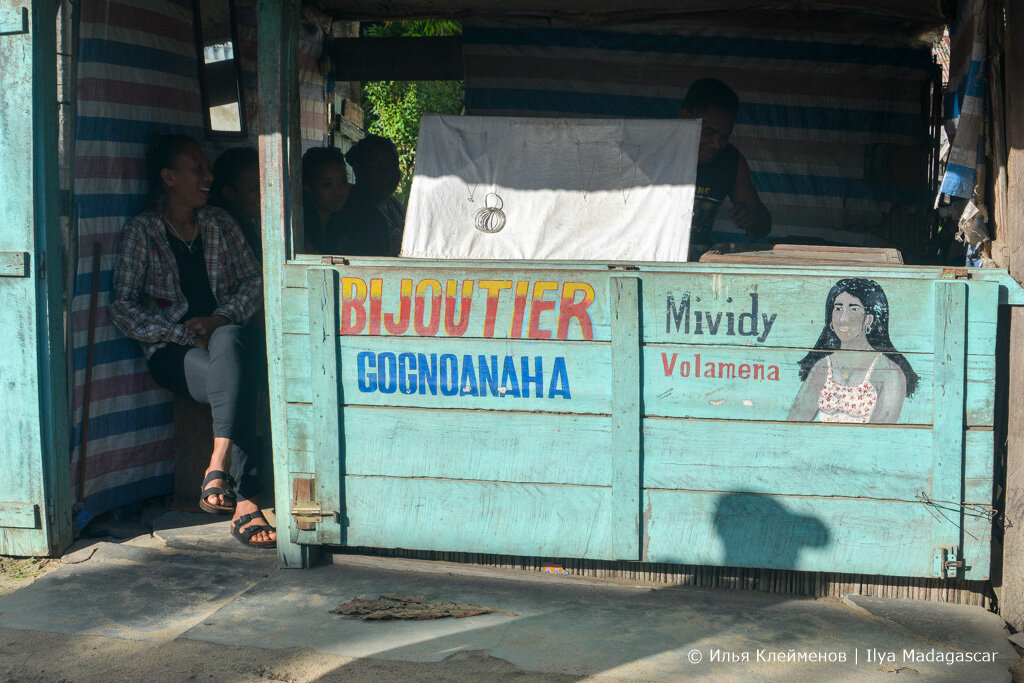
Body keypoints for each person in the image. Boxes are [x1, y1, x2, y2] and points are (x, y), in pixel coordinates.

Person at [110, 134, 276, 548]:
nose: (208, 176)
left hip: (225, 341)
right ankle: (244, 498)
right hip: (173, 354)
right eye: (197, 169)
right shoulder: (143, 232)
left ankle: (220, 470)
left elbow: (256, 280)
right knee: (238, 376)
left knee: (232, 341)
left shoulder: (220, 223)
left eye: (207, 169)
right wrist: (186, 332)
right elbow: (123, 307)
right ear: (168, 177)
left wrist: (219, 318)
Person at [788, 278, 919, 424]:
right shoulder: (822, 367)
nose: (843, 318)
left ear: (868, 319)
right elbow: (794, 423)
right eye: (838, 308)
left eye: (853, 309)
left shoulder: (889, 372)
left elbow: (881, 437)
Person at [679, 78, 771, 260]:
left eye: (724, 137)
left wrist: (751, 219)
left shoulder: (731, 161)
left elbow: (762, 227)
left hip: (696, 267)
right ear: (685, 117)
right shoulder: (654, 151)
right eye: (709, 133)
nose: (716, 144)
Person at [341, 135, 405, 257]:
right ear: (359, 170)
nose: (389, 174)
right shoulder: (349, 207)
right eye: (379, 168)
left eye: (394, 166)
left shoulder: (394, 206)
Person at [209, 147, 261, 261]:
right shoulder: (224, 233)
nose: (263, 194)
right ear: (230, 193)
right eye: (254, 188)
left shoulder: (252, 225)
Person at [301, 146, 350, 253]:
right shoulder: (296, 225)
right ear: (307, 186)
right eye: (327, 184)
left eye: (343, 182)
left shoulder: (349, 221)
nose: (339, 191)